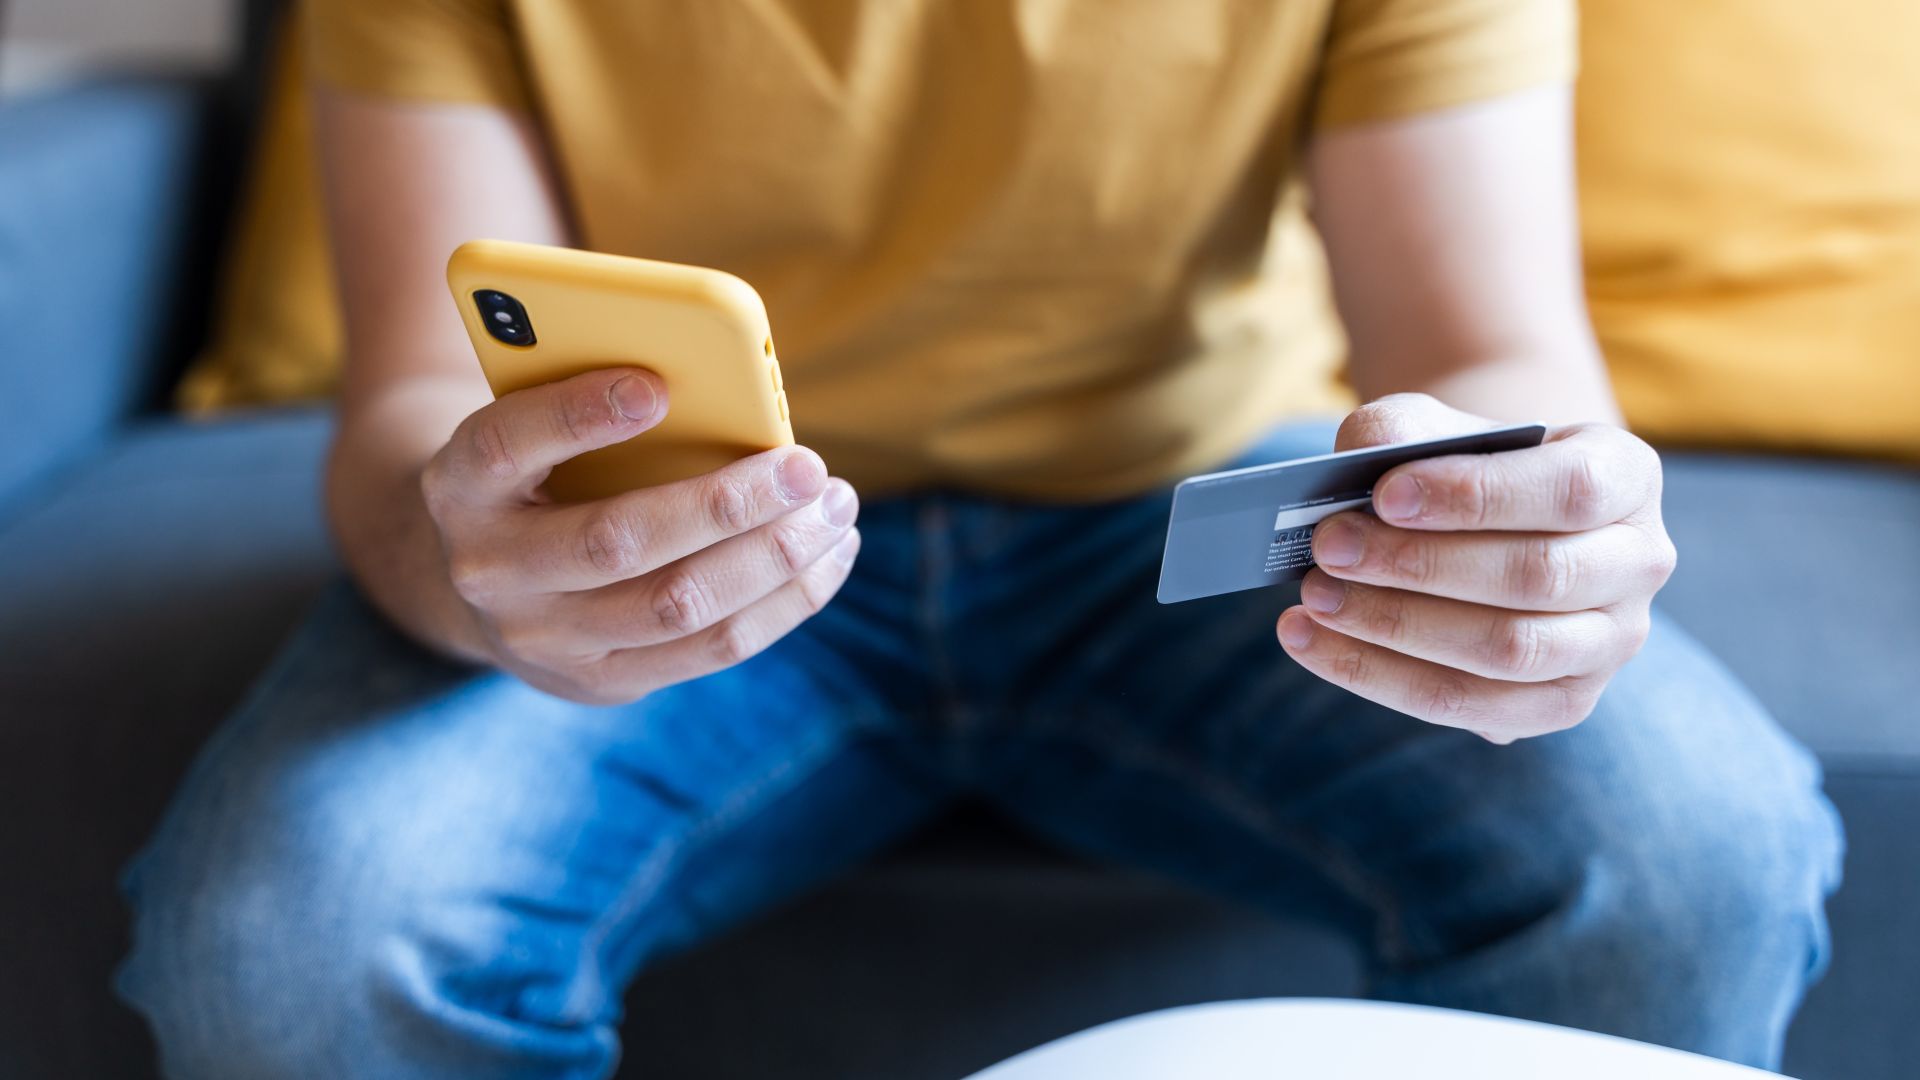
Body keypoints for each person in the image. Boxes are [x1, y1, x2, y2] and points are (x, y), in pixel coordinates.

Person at [117, 2, 1841, 1077]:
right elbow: (416, 409)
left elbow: (1489, 350)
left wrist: (1532, 525)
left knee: (1700, 852)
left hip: (1182, 498)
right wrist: (476, 576)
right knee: (292, 926)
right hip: (702, 523)